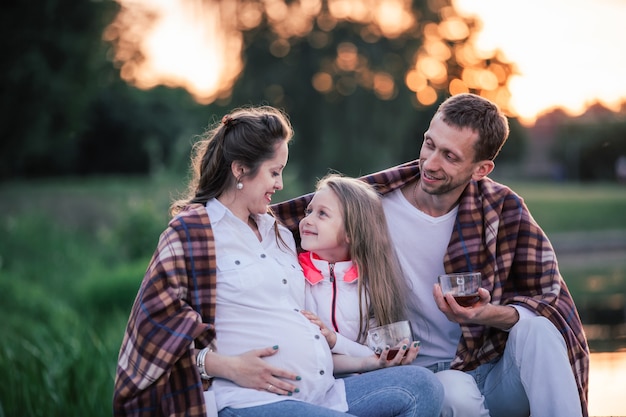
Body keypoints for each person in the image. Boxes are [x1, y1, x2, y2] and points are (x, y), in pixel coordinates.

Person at [113, 105, 444, 417]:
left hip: (323, 392)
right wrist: (225, 366)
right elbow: (151, 334)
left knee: (422, 386)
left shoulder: (280, 233)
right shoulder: (193, 232)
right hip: (249, 400)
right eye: (274, 172)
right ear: (241, 170)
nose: (280, 185)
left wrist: (372, 362)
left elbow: (348, 212)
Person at [272, 93, 590, 417]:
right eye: (429, 144)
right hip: (419, 375)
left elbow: (552, 304)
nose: (431, 163)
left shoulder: (503, 210)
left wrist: (484, 314)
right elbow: (285, 218)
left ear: (481, 169)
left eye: (450, 156)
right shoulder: (373, 206)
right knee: (452, 391)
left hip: (489, 368)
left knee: (538, 329)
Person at [298, 174, 415, 359]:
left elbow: (378, 355)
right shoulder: (295, 275)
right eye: (309, 211)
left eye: (322, 214)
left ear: (351, 232)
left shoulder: (372, 283)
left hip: (363, 380)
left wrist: (335, 341)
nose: (307, 220)